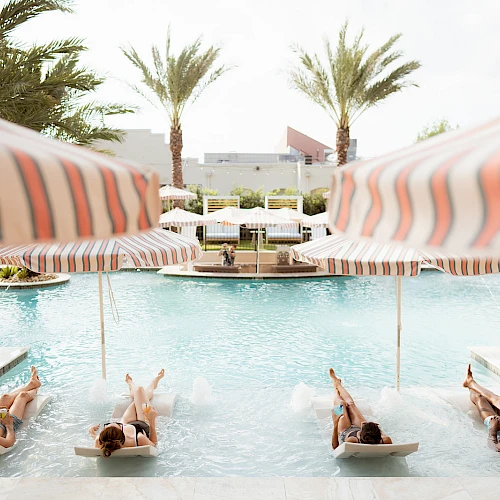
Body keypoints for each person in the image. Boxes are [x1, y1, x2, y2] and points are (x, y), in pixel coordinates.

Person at [90, 370, 164, 457]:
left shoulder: (99, 440)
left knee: (138, 394)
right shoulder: (139, 438)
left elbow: (106, 443)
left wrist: (92, 434)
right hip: (141, 424)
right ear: (122, 431)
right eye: (118, 425)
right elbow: (154, 446)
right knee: (140, 391)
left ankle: (132, 386)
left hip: (126, 422)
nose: (114, 422)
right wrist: (152, 421)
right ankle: (153, 383)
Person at [329, 368, 392, 449]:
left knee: (342, 404)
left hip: (346, 430)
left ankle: (336, 390)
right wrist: (373, 428)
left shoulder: (352, 440)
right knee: (351, 404)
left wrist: (335, 424)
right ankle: (338, 384)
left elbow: (335, 447)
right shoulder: (385, 440)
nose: (363, 423)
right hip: (366, 433)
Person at [0, 366, 41, 449]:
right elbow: (9, 442)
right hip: (6, 424)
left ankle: (32, 384)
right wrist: (8, 425)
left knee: (5, 397)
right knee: (22, 396)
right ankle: (35, 388)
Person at [463, 364, 500, 452]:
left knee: (479, 397)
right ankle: (470, 382)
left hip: (496, 425)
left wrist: (493, 429)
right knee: (495, 399)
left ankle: (470, 385)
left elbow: (493, 446)